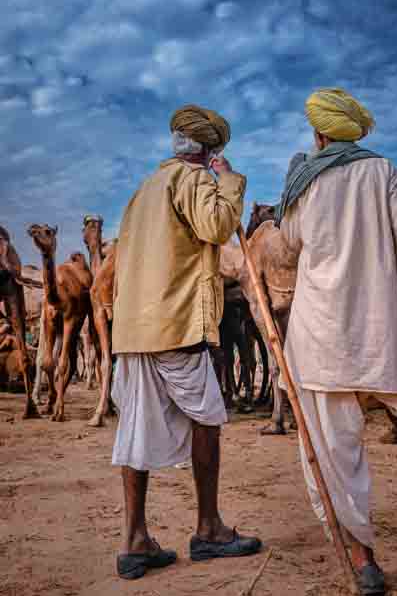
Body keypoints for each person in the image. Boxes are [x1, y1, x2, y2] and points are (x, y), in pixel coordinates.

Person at [277, 88, 397, 594]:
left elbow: (289, 245)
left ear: (320, 134)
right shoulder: (383, 171)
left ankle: (365, 560)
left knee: (338, 448)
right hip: (380, 330)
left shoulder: (304, 182)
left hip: (321, 335)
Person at [111, 105, 262, 580]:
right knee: (209, 418)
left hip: (135, 329)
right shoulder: (193, 180)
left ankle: (136, 540)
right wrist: (230, 181)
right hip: (176, 323)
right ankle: (209, 528)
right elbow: (216, 227)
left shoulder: (143, 190)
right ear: (209, 151)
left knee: (135, 427)